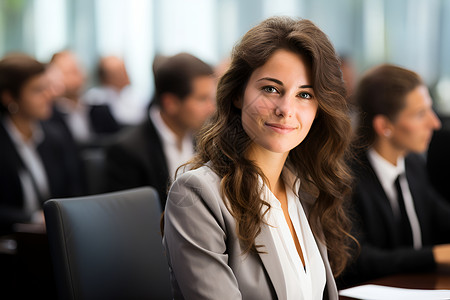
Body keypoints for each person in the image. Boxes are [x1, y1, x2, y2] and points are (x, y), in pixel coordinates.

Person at [163, 17, 354, 299]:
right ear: (238, 95)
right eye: (271, 89)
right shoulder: (197, 195)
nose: (286, 109)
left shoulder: (308, 191)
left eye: (304, 94)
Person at [340, 64, 450, 288]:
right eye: (421, 114)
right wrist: (435, 255)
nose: (435, 123)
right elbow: (358, 259)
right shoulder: (346, 177)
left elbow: (441, 216)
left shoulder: (412, 165)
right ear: (384, 126)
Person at [104, 52, 216, 206]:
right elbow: (131, 220)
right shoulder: (127, 151)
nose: (211, 108)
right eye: (202, 99)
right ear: (170, 103)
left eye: (211, 98)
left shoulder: (206, 141)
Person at [0, 53, 85, 235]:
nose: (49, 95)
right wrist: (34, 218)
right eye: (38, 90)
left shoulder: (55, 135)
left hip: (56, 238)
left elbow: (74, 192)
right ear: (9, 98)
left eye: (48, 87)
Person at [83, 55, 146, 135]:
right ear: (106, 77)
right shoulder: (97, 100)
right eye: (120, 72)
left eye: (124, 69)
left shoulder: (134, 96)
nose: (126, 74)